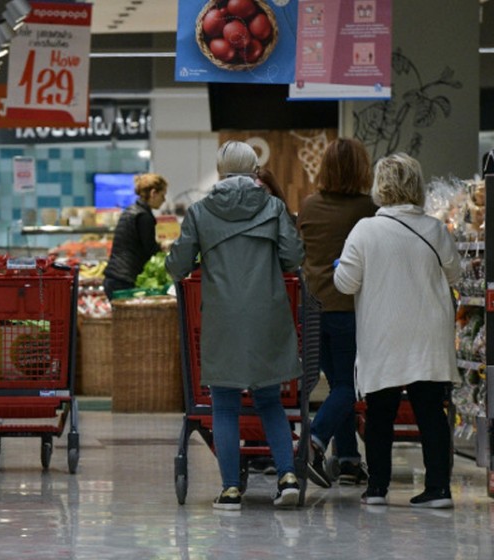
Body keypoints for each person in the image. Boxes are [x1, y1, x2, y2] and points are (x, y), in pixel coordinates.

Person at [165, 141, 304, 511]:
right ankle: (287, 475)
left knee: (224, 405)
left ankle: (229, 488)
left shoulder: (200, 211)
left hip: (222, 317)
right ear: (255, 169)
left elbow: (178, 266)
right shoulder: (273, 207)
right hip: (268, 314)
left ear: (221, 169)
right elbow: (292, 257)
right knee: (270, 400)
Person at [334, 153, 459, 508]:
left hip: (384, 332)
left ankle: (377, 488)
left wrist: (339, 266)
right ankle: (438, 488)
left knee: (380, 412)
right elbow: (456, 274)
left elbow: (345, 283)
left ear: (380, 187)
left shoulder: (365, 229)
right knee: (431, 411)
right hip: (428, 332)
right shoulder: (435, 228)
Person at [296, 138, 379, 489]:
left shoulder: (309, 205)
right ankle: (313, 441)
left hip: (312, 308)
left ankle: (347, 460)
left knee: (337, 384)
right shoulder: (370, 209)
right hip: (350, 308)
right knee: (349, 385)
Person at [102, 173, 168, 297]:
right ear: (153, 193)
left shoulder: (130, 210)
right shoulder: (144, 216)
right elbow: (149, 249)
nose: (164, 200)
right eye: (162, 195)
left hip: (113, 277)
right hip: (125, 280)